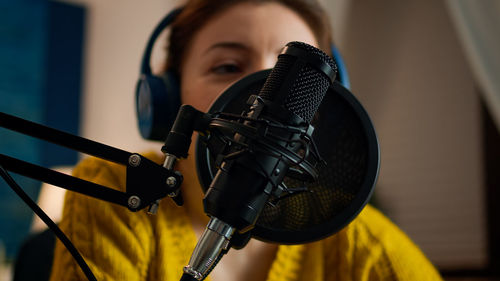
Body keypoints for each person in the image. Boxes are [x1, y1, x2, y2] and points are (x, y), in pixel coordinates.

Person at [49, 0, 444, 280]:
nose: (263, 99)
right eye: (228, 66)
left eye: (292, 86)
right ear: (169, 99)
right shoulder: (121, 188)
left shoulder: (362, 243)